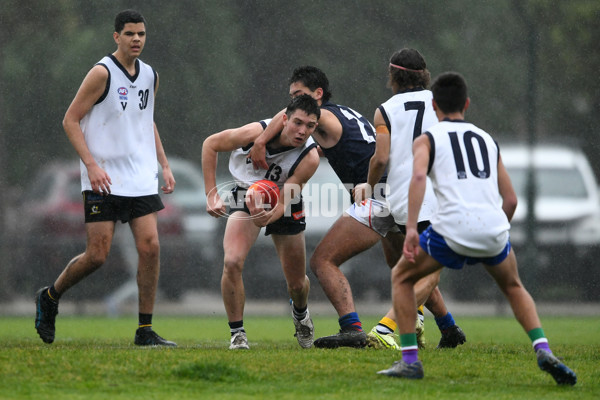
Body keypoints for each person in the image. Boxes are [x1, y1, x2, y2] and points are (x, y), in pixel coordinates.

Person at [377, 72, 577, 386]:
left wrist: (413, 228)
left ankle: (410, 361)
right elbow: (510, 200)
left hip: (451, 228)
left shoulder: (427, 139)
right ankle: (542, 349)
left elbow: (417, 180)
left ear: (434, 104)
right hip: (493, 228)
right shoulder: (486, 139)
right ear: (466, 104)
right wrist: (494, 231)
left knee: (402, 276)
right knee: (514, 287)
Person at [249, 66, 464, 349]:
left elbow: (286, 117)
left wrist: (261, 141)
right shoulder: (343, 115)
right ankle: (449, 329)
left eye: (299, 96)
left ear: (318, 94)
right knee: (406, 263)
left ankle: (352, 328)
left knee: (322, 261)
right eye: (291, 97)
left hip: (379, 196)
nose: (293, 105)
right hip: (398, 193)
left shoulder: (320, 115)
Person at [34, 10, 177, 347]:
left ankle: (145, 330)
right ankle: (50, 297)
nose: (137, 39)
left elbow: (147, 122)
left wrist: (164, 164)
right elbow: (70, 120)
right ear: (116, 37)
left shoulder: (151, 76)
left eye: (141, 33)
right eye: (129, 34)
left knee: (151, 247)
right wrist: (91, 165)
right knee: (97, 255)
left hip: (139, 175)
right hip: (103, 179)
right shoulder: (102, 73)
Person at [354, 49, 466, 349]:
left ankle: (441, 327)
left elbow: (380, 159)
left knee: (419, 267)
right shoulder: (440, 103)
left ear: (393, 75)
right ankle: (386, 327)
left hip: (403, 200)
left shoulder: (384, 110)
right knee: (430, 271)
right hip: (437, 195)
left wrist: (368, 185)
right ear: (424, 75)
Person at [202, 94, 320, 350]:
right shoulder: (254, 133)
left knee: (297, 283)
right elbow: (210, 145)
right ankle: (238, 333)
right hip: (245, 194)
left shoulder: (309, 158)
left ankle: (301, 314)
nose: (302, 131)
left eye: (310, 126)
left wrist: (269, 215)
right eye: (298, 123)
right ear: (285, 119)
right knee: (232, 261)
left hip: (284, 202)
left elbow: (281, 203)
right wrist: (212, 195)